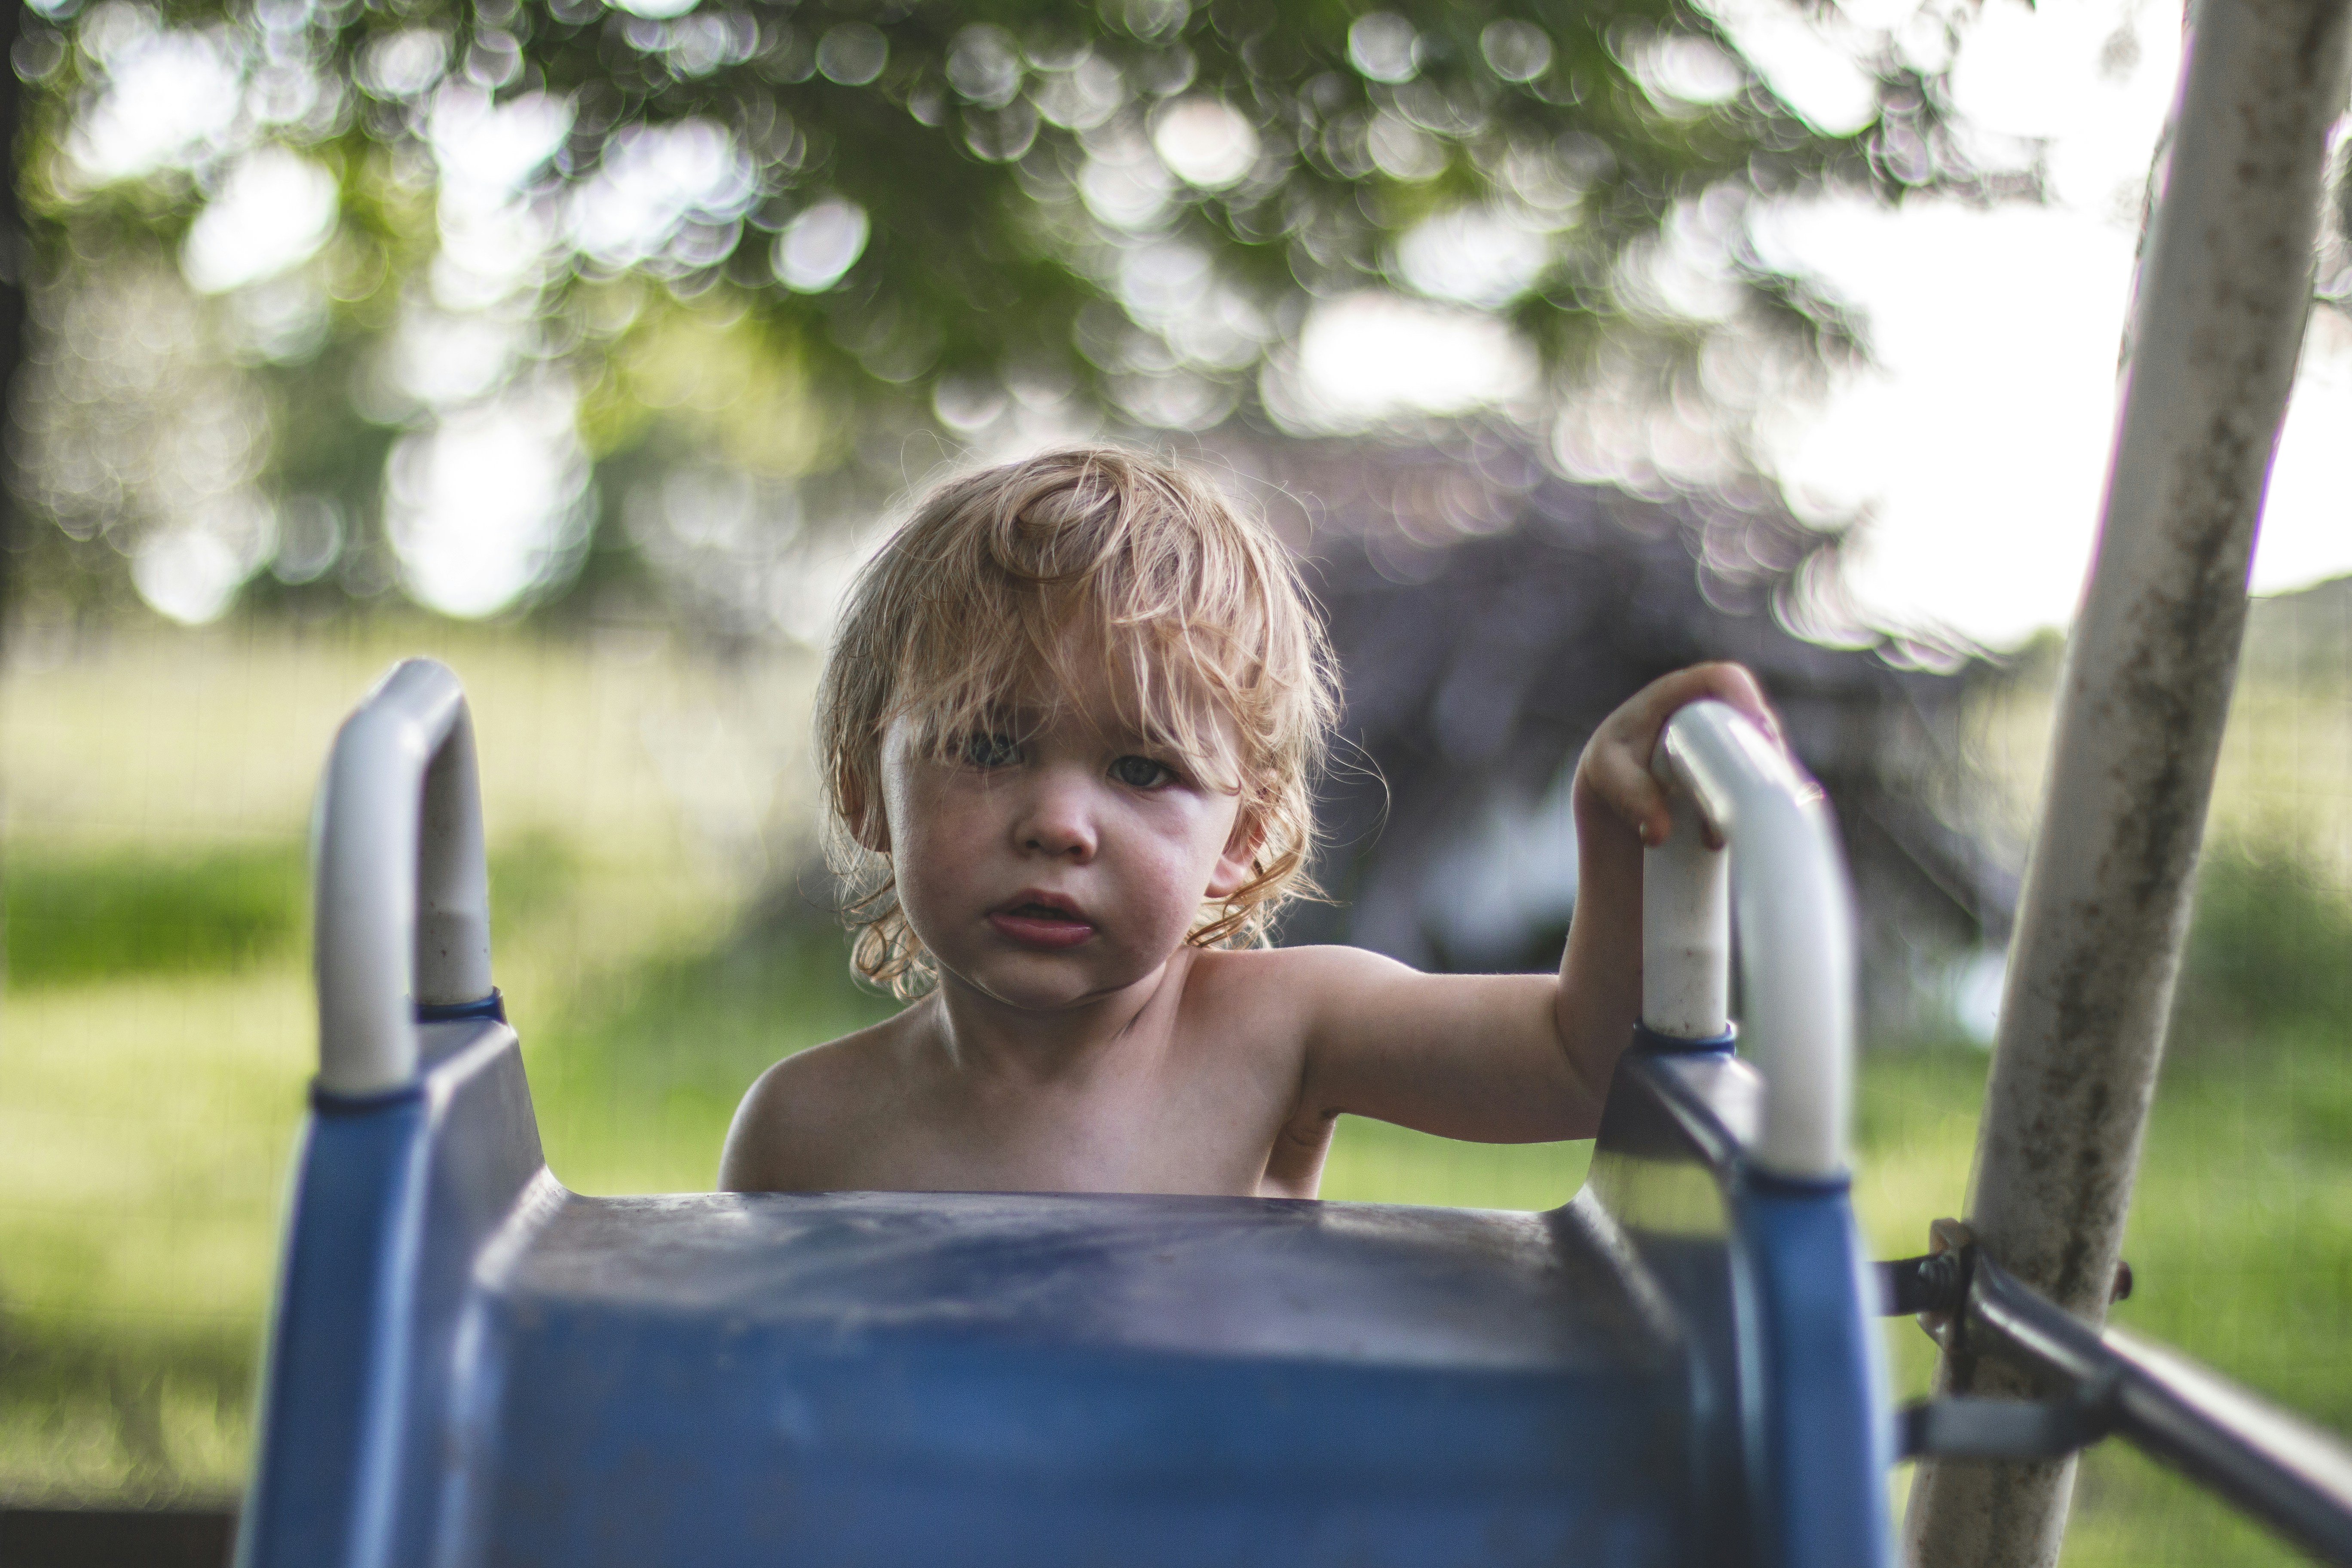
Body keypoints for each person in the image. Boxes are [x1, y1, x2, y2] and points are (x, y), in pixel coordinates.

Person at [719, 446, 1780, 1198]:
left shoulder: (1284, 1035)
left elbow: (1583, 1064)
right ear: (866, 787)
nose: (1058, 823)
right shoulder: (805, 1129)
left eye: (1142, 768)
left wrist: (1620, 833)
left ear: (1242, 842)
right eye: (991, 747)